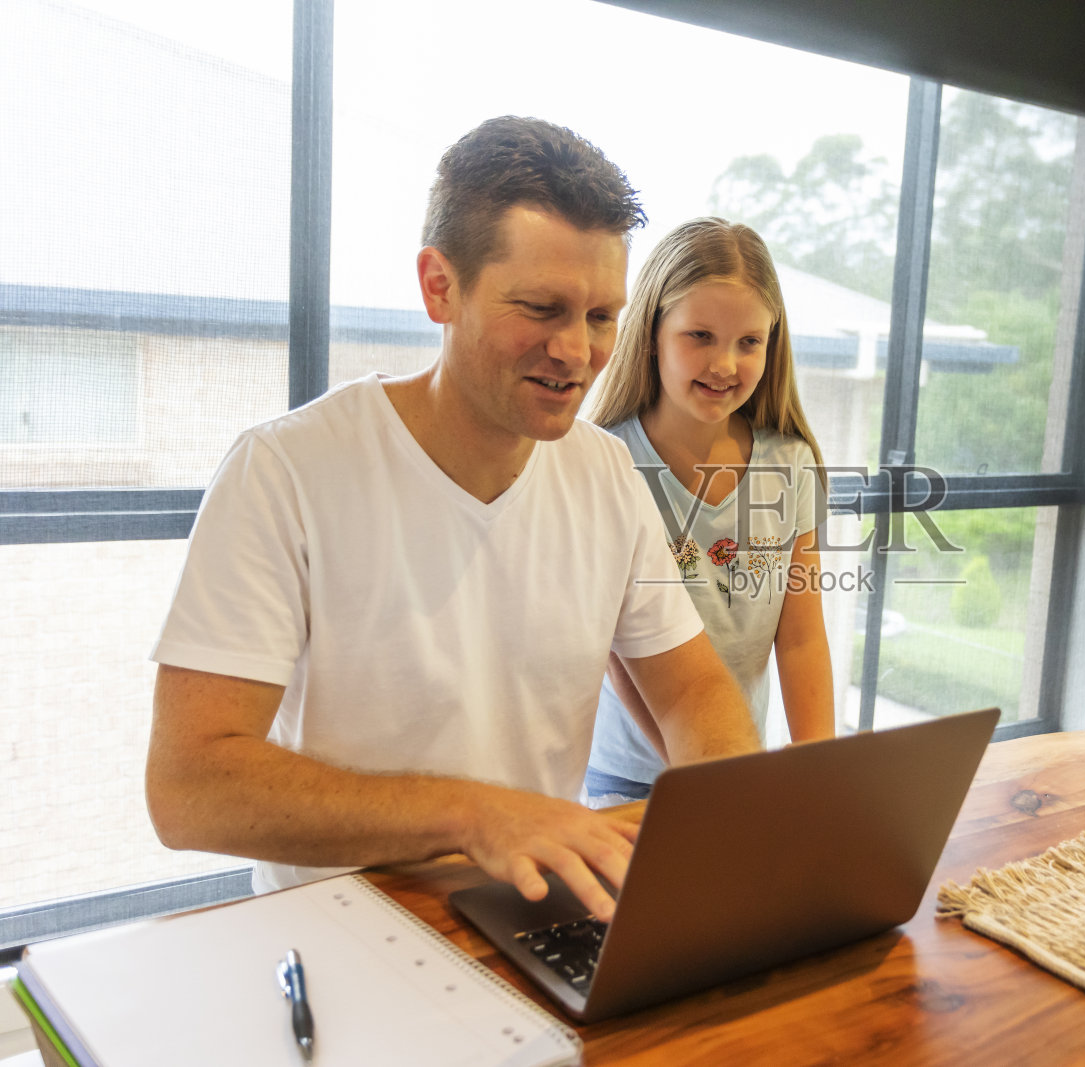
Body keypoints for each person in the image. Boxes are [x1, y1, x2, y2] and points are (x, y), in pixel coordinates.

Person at [144, 118, 761, 922]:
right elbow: (189, 788)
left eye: (602, 317)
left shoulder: (604, 472)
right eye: (541, 308)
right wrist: (473, 813)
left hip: (536, 913)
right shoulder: (285, 472)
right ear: (439, 285)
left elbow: (691, 693)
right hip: (338, 930)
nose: (576, 352)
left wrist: (732, 822)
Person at [583, 218, 834, 805]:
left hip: (739, 774)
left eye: (749, 342)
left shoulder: (791, 464)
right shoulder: (604, 462)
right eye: (700, 335)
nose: (725, 364)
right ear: (651, 334)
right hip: (632, 781)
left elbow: (800, 641)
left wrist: (820, 774)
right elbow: (618, 651)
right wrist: (701, 776)